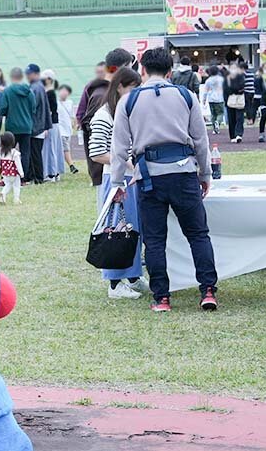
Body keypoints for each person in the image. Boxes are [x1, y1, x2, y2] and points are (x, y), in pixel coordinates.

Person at [110, 47, 218, 313]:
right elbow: (200, 141)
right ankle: (207, 291)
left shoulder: (129, 101)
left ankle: (162, 298)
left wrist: (116, 183)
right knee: (198, 235)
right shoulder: (186, 95)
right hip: (183, 174)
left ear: (143, 70)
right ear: (170, 71)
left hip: (149, 178)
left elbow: (119, 147)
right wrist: (205, 174)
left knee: (155, 240)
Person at [86, 67, 148, 300]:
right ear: (120, 86)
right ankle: (114, 283)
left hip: (130, 179)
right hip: (115, 180)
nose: (136, 92)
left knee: (132, 229)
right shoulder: (104, 115)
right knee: (115, 230)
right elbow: (96, 153)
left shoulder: (127, 110)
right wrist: (125, 162)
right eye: (133, 88)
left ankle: (132, 276)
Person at [78, 49, 135, 187]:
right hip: (108, 171)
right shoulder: (103, 96)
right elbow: (96, 143)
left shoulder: (100, 90)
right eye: (129, 68)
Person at [0, 68, 35, 181]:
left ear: (11, 77)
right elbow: (33, 108)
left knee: (8, 152)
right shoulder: (29, 91)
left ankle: (7, 176)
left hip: (12, 127)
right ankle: (23, 177)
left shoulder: (7, 91)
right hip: (27, 126)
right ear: (22, 77)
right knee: (25, 153)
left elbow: (2, 109)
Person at [25, 64, 52, 184]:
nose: (27, 75)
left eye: (29, 73)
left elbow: (33, 106)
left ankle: (38, 178)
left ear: (36, 74)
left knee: (35, 153)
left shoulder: (36, 87)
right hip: (39, 125)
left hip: (36, 126)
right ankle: (33, 176)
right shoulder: (37, 86)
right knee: (33, 153)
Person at [40, 69, 64, 181]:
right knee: (52, 148)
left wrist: (45, 125)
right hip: (53, 124)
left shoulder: (50, 93)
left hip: (50, 124)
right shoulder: (49, 92)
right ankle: (54, 172)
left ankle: (51, 173)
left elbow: (50, 110)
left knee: (50, 148)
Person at [0, 132, 24, 205]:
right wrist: (21, 173)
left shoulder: (0, 151)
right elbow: (18, 164)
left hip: (5, 173)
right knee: (16, 185)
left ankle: (3, 193)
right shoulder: (14, 153)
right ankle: (16, 199)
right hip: (14, 173)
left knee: (7, 184)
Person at [57, 85, 79, 174]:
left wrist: (75, 125)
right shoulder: (56, 102)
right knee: (65, 148)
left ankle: (61, 166)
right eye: (62, 90)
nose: (63, 93)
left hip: (68, 129)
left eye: (66, 91)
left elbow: (73, 116)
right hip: (59, 129)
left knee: (64, 148)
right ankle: (71, 165)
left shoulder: (70, 102)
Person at [223, 65, 246, 143]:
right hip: (230, 101)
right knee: (231, 119)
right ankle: (232, 136)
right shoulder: (227, 78)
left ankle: (239, 134)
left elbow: (242, 87)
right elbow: (226, 90)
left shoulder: (241, 77)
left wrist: (233, 90)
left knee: (240, 118)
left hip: (239, 100)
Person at [201, 66, 225, 135]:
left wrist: (204, 99)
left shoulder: (208, 80)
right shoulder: (221, 79)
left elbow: (205, 91)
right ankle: (218, 122)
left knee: (213, 114)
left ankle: (215, 129)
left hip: (211, 98)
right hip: (220, 98)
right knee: (220, 113)